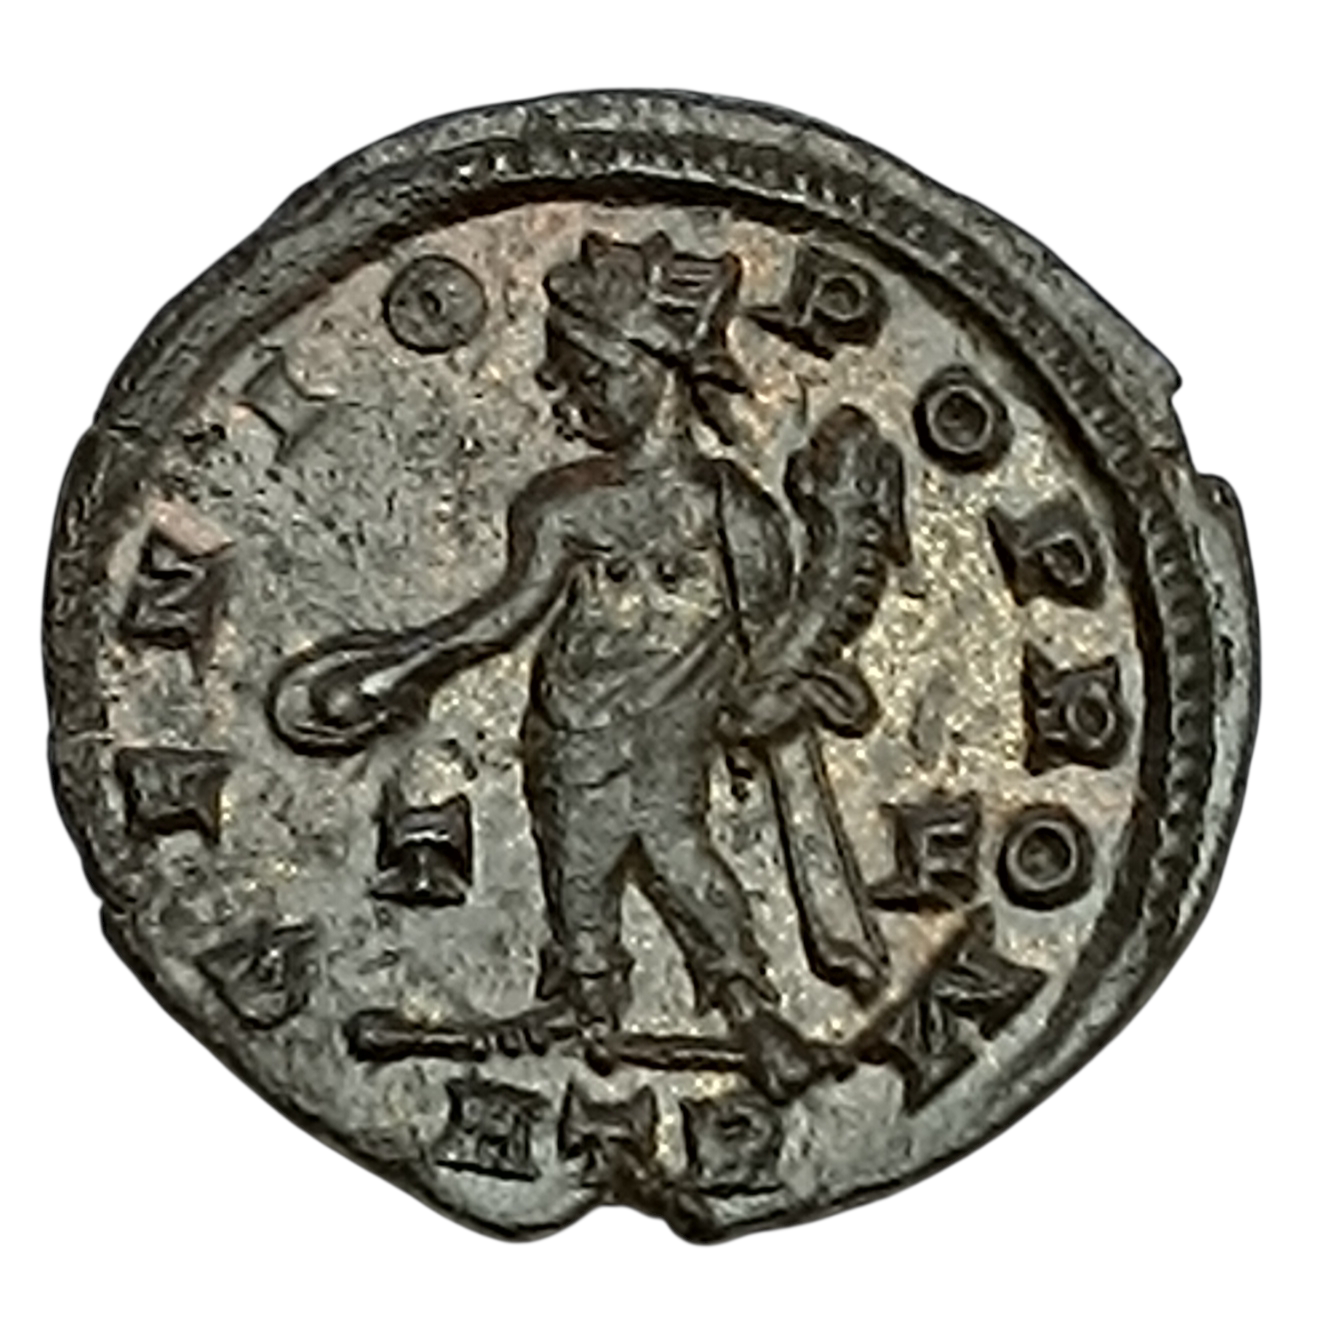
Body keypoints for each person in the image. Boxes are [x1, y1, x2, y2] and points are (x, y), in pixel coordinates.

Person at [271, 231, 830, 1100]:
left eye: (587, 374)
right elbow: (506, 616)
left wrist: (774, 702)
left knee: (680, 854)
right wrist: (405, 666)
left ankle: (748, 1004)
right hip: (573, 728)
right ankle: (585, 996)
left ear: (658, 370)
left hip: (671, 735)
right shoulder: (564, 505)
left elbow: (770, 650)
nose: (565, 395)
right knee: (580, 862)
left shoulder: (739, 515)